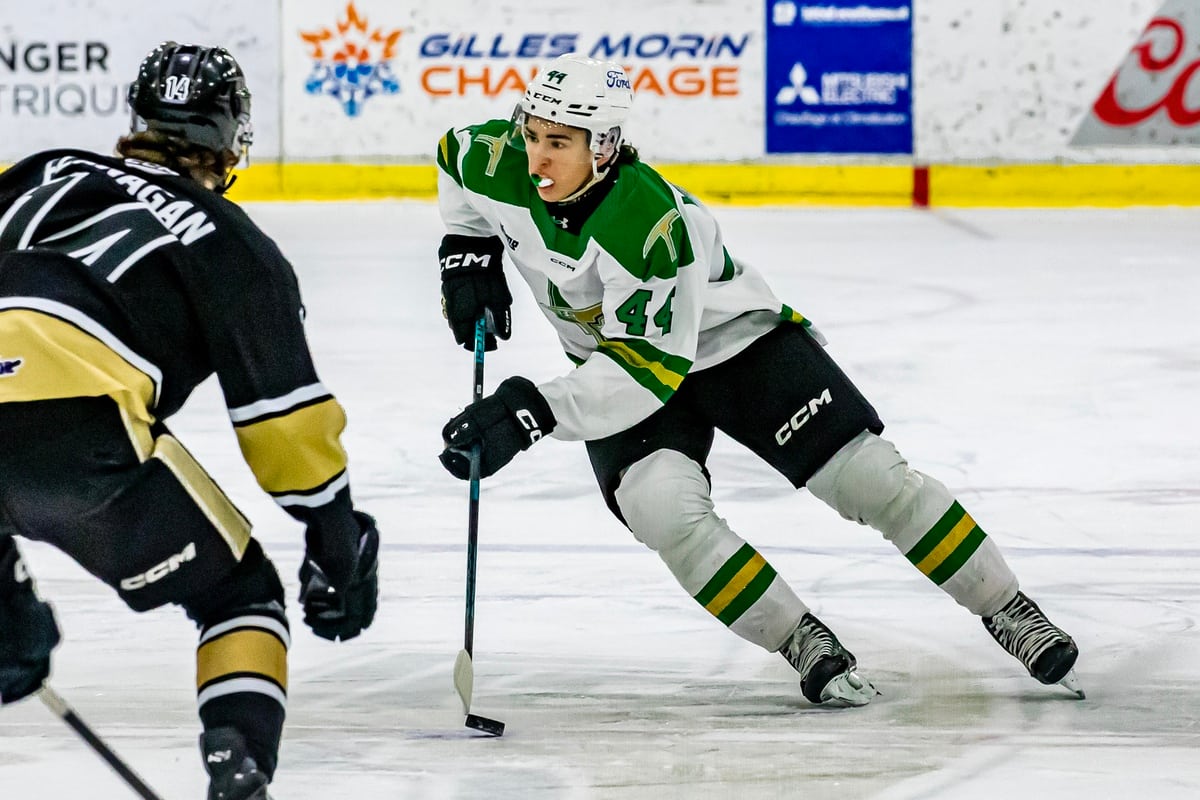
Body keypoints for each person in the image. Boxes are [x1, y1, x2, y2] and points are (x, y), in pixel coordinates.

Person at [434, 53, 1082, 708]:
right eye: (533, 133)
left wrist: (529, 410)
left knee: (867, 478)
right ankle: (800, 638)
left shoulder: (658, 227)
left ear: (603, 146)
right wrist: (466, 252)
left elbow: (646, 375)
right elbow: (453, 160)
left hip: (733, 345)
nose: (537, 158)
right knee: (660, 509)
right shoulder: (495, 158)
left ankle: (1008, 608)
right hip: (618, 361)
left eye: (559, 142)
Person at [0, 42, 379, 799]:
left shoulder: (41, 169)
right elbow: (284, 419)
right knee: (240, 597)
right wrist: (334, 538)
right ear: (232, 135)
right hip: (83, 432)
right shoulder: (233, 240)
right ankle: (238, 763)